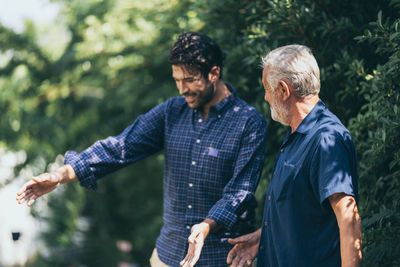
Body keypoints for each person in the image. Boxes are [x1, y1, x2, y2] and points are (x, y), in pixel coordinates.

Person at [16, 32, 267, 267]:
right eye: (177, 80)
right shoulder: (172, 112)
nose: (182, 90)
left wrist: (207, 225)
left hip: (222, 258)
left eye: (189, 80)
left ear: (214, 73)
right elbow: (121, 146)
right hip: (167, 256)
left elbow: (239, 193)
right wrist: (60, 175)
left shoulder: (248, 122)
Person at [226, 45, 362, 267]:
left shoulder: (326, 139)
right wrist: (264, 237)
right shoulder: (296, 134)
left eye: (267, 89)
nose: (266, 97)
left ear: (283, 89)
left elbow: (349, 220)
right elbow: (302, 212)